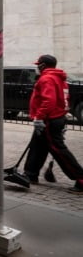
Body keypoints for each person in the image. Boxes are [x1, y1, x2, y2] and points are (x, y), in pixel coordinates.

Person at [23, 54, 83, 194]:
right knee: (37, 146)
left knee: (58, 149)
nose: (37, 67)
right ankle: (30, 174)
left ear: (43, 65)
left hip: (48, 119)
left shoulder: (46, 78)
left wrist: (39, 117)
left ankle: (80, 178)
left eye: (38, 64)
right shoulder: (59, 78)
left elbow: (48, 101)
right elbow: (64, 97)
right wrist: (63, 111)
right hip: (54, 117)